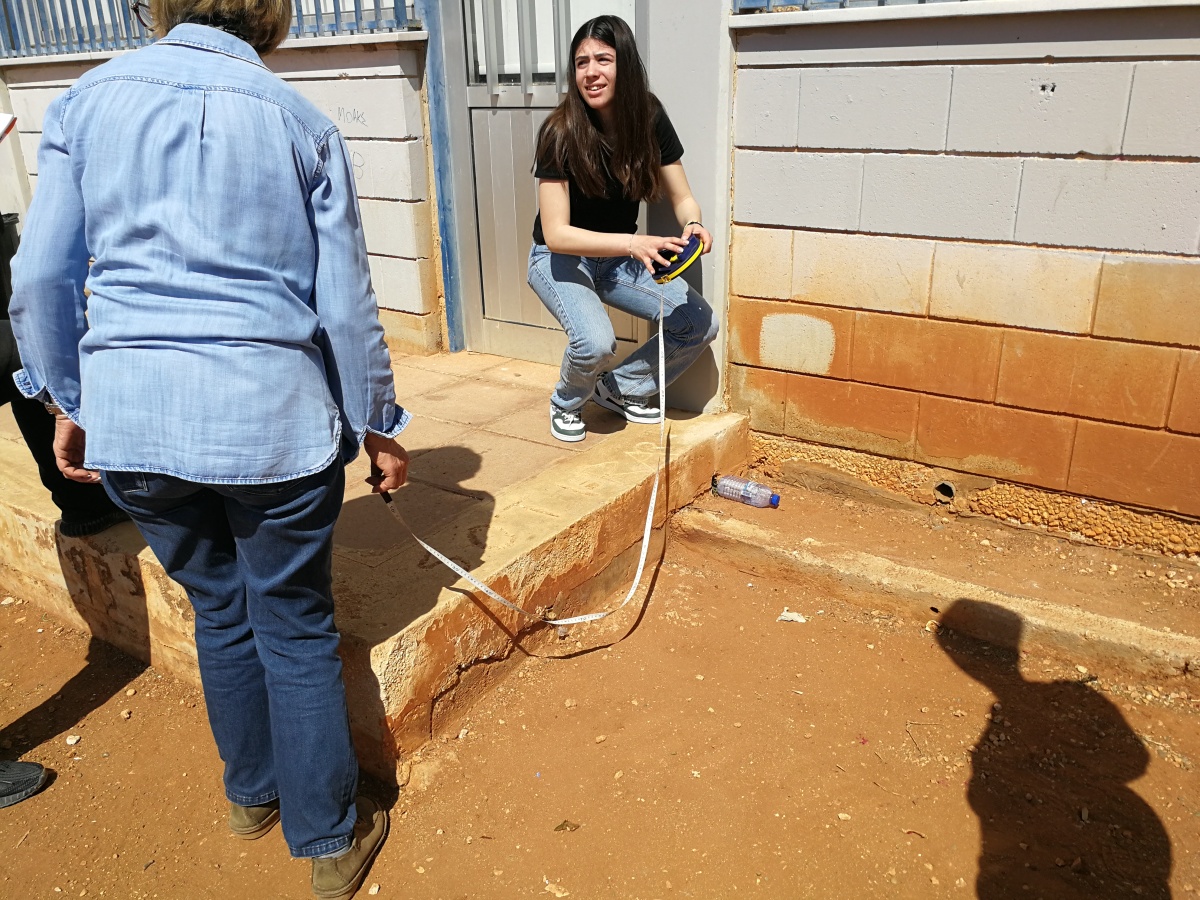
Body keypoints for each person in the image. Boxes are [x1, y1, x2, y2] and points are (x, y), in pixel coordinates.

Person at [8, 0, 407, 896]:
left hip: (136, 426)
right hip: (276, 426)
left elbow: (37, 278)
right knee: (293, 626)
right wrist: (377, 421)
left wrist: (69, 399)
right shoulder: (302, 124)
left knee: (221, 611)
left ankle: (250, 796)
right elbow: (345, 305)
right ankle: (328, 840)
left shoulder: (85, 101)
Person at [528, 14, 719, 443]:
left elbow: (683, 197)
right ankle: (566, 402)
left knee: (698, 323)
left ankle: (618, 389)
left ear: (625, 64)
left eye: (603, 59)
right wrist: (633, 244)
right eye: (581, 62)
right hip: (560, 258)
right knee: (596, 343)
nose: (591, 72)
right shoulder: (559, 131)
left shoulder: (648, 117)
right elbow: (556, 234)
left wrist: (693, 223)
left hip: (619, 260)